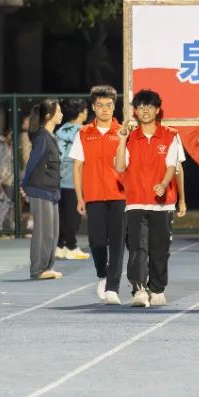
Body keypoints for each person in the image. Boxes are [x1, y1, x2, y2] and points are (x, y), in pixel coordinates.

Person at [114, 89, 185, 307]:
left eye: (150, 106)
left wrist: (165, 185)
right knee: (137, 248)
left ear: (157, 110)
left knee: (160, 249)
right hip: (136, 202)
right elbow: (119, 167)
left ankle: (157, 288)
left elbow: (173, 166)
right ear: (135, 111)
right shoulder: (129, 137)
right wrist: (121, 141)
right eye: (141, 107)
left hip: (162, 205)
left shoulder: (171, 135)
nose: (145, 111)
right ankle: (139, 289)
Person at [71, 85, 126, 303]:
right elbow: (77, 167)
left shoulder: (123, 132)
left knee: (117, 243)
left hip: (120, 195)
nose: (105, 109)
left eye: (109, 105)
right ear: (94, 107)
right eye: (100, 105)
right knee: (97, 242)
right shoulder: (84, 133)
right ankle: (102, 274)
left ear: (114, 107)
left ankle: (112, 287)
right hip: (93, 196)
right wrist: (80, 197)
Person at [22, 100, 64, 280]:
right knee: (43, 231)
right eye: (58, 111)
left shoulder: (50, 136)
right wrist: (24, 184)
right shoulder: (42, 137)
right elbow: (32, 162)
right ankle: (38, 269)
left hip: (51, 191)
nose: (61, 114)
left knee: (53, 232)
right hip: (40, 190)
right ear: (48, 116)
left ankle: (47, 267)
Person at [55, 98, 90, 260]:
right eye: (85, 110)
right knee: (74, 214)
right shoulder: (83, 132)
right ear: (81, 113)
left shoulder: (61, 131)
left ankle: (60, 245)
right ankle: (71, 245)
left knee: (62, 214)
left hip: (59, 177)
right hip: (74, 178)